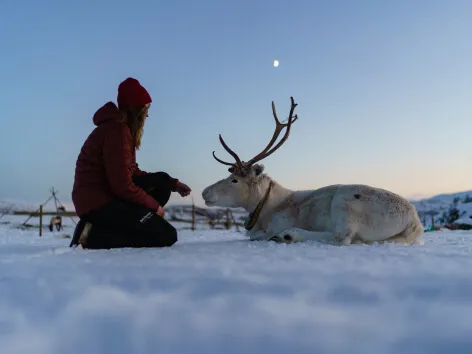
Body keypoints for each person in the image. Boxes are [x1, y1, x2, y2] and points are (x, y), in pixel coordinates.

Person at [69, 77, 191, 249]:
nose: (148, 114)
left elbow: (132, 173)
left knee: (163, 181)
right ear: (137, 110)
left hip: (107, 197)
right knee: (166, 235)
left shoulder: (121, 130)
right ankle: (92, 235)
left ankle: (125, 225)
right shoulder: (117, 132)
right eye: (146, 108)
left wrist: (173, 183)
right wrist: (154, 207)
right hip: (98, 204)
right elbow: (122, 185)